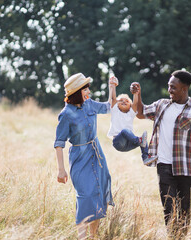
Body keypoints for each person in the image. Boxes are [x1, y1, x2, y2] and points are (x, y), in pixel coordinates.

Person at [130, 70, 191, 237]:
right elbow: (140, 113)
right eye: (169, 86)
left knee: (184, 212)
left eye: (173, 87)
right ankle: (172, 236)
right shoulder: (162, 105)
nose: (169, 90)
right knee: (169, 208)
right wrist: (137, 95)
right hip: (164, 166)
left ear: (184, 89)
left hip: (186, 170)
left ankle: (180, 236)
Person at [54, 73, 114, 239]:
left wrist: (112, 87)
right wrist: (61, 170)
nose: (89, 91)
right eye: (85, 88)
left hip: (97, 156)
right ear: (76, 92)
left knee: (98, 194)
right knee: (85, 197)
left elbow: (109, 106)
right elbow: (59, 143)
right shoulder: (66, 114)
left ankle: (93, 236)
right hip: (80, 160)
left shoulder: (89, 104)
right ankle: (82, 237)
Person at [107, 76, 156, 165]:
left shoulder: (131, 113)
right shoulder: (115, 110)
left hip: (128, 145)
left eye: (126, 101)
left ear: (130, 105)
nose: (124, 102)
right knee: (126, 132)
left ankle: (145, 158)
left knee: (143, 139)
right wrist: (113, 85)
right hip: (118, 142)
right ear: (116, 105)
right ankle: (139, 141)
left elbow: (136, 103)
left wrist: (136, 93)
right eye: (121, 101)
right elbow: (113, 99)